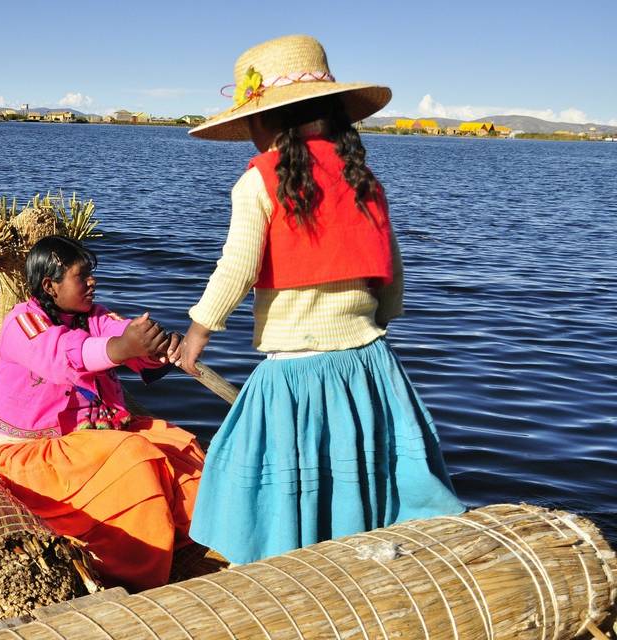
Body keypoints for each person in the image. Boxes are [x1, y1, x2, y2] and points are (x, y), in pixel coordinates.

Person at [175, 35, 465, 565]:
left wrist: (198, 332)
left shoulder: (258, 182)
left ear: (267, 123)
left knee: (254, 473)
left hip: (298, 373)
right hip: (369, 365)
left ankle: (289, 573)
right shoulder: (363, 179)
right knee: (359, 474)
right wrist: (380, 321)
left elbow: (237, 267)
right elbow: (392, 270)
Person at [0, 235, 204, 591]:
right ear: (50, 285)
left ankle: (197, 538)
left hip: (93, 440)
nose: (92, 282)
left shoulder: (92, 317)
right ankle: (135, 576)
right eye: (83, 277)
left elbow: (119, 333)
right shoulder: (23, 323)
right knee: (137, 457)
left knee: (181, 447)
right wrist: (121, 347)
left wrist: (154, 345)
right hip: (37, 455)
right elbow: (62, 355)